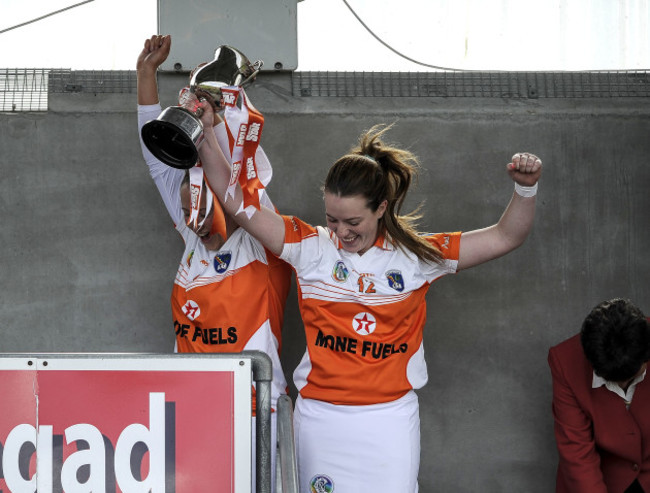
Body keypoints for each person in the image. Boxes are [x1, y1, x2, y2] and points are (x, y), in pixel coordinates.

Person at [194, 97, 542, 492]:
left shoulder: (417, 257)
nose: (341, 232)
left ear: (381, 208)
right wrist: (207, 131)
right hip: (320, 422)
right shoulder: (309, 247)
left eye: (353, 221)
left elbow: (506, 235)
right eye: (332, 219)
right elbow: (236, 202)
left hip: (388, 424)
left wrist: (525, 189)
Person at [136, 35, 292, 490]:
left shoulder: (261, 241)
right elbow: (157, 164)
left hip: (254, 413)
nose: (193, 219)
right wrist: (146, 76)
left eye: (203, 209)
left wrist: (219, 114)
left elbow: (242, 181)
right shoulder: (190, 234)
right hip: (192, 410)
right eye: (185, 209)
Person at [549, 298, 650, 493]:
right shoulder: (564, 361)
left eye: (631, 378)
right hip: (598, 480)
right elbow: (576, 451)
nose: (622, 387)